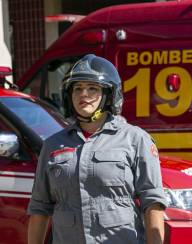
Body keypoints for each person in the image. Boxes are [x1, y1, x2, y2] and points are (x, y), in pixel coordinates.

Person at [27, 54, 167, 244]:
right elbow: (39, 209)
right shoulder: (52, 145)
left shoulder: (135, 139)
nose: (83, 94)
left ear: (108, 96)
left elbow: (153, 203)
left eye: (92, 88)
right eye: (77, 89)